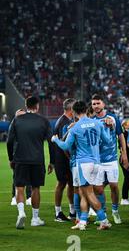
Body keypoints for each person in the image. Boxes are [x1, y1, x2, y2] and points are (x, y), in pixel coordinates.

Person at [52, 100, 113, 231]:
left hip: (83, 163)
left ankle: (104, 220)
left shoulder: (75, 127)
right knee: (85, 193)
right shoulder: (97, 123)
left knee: (88, 193)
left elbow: (66, 146)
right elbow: (107, 141)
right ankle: (83, 221)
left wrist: (55, 139)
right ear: (87, 109)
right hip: (97, 163)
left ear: (73, 112)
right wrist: (108, 128)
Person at [7, 97, 55, 229]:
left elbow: (10, 141)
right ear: (37, 106)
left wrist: (11, 158)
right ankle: (35, 218)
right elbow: (51, 142)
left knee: (20, 187)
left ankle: (21, 213)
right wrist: (52, 161)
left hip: (20, 159)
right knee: (35, 188)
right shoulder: (44, 121)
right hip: (37, 160)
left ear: (26, 106)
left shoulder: (16, 120)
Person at [91, 94, 129, 224]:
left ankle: (115, 211)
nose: (96, 106)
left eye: (98, 103)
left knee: (114, 185)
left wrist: (124, 154)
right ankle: (102, 213)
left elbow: (121, 136)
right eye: (93, 104)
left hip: (111, 159)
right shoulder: (92, 121)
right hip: (98, 160)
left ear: (103, 104)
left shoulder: (112, 118)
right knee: (99, 189)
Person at [53, 98, 77, 222]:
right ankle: (58, 213)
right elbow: (64, 144)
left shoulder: (67, 121)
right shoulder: (64, 123)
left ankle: (72, 211)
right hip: (63, 160)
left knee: (71, 184)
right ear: (71, 109)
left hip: (64, 159)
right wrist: (71, 158)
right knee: (62, 183)